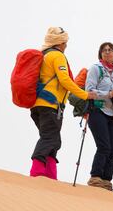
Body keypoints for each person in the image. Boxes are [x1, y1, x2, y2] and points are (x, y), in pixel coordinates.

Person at [29, 27, 97, 180]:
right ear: (60, 43)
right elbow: (65, 80)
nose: (66, 45)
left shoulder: (44, 55)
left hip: (37, 105)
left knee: (54, 139)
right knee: (49, 138)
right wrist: (85, 95)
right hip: (50, 105)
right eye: (65, 42)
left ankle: (50, 175)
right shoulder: (57, 56)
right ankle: (36, 172)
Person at [85, 42, 113, 190]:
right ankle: (95, 177)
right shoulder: (96, 69)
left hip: (112, 114)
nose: (107, 52)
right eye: (104, 50)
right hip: (97, 111)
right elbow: (89, 91)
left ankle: (107, 180)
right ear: (100, 54)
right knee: (104, 146)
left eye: (110, 50)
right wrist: (109, 94)